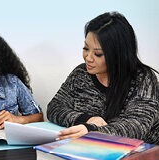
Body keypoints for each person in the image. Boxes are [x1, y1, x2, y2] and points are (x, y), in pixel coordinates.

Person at [47, 12, 159, 144]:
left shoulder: (143, 79)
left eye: (98, 54)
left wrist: (91, 130)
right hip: (87, 149)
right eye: (85, 48)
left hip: (138, 157)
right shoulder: (81, 73)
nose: (88, 58)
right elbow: (55, 107)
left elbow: (135, 126)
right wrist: (85, 119)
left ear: (118, 54)